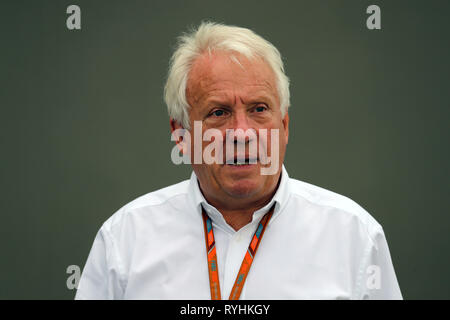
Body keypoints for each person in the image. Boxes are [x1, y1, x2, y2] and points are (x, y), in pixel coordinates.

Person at [75, 22, 402, 300]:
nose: (242, 133)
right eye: (218, 112)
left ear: (284, 126)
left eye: (259, 109)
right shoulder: (124, 242)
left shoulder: (355, 237)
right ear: (182, 136)